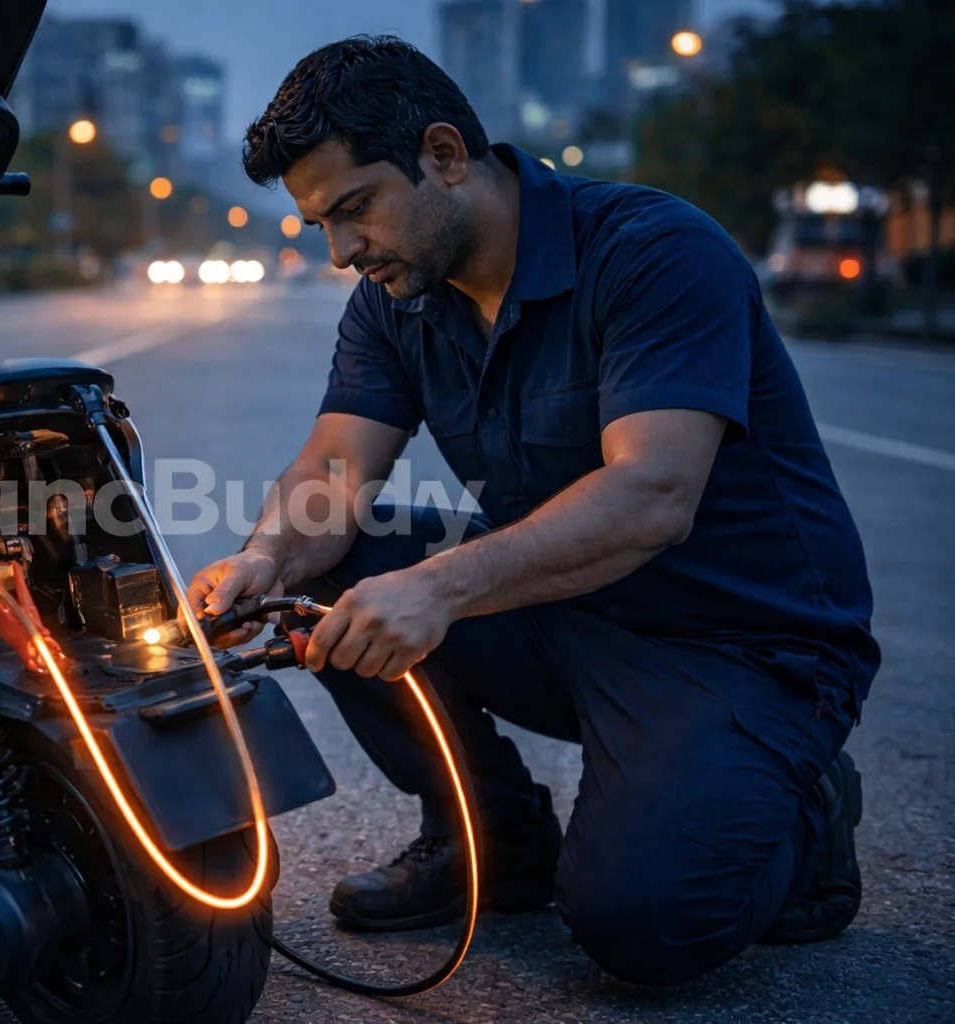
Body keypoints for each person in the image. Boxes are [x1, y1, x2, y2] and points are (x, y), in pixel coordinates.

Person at [187, 36, 879, 987]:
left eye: (354, 210)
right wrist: (265, 559)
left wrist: (437, 588)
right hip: (566, 608)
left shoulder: (653, 252)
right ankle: (493, 844)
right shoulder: (399, 300)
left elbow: (652, 496)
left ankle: (802, 814)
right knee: (328, 567)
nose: (344, 252)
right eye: (321, 228)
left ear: (443, 154)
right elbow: (334, 471)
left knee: (638, 926)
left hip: (739, 643)